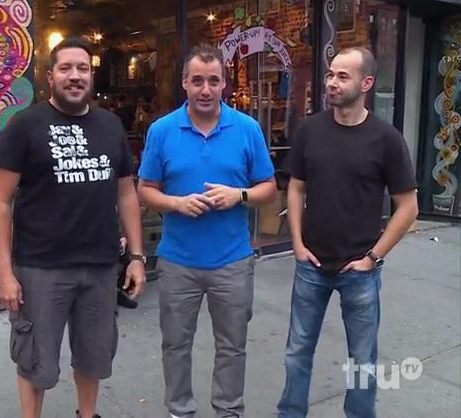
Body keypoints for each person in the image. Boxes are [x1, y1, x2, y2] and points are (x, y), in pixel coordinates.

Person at [0, 37, 146, 418]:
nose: (75, 76)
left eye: (83, 69)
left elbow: (126, 193)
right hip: (40, 268)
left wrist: (137, 257)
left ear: (91, 76)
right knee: (35, 361)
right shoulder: (24, 126)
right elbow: (0, 201)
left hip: (100, 266)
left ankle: (87, 414)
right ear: (50, 77)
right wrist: (5, 272)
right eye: (66, 68)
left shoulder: (110, 125)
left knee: (94, 356)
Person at [276, 47, 418, 418]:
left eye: (343, 76)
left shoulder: (386, 139)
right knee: (297, 352)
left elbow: (408, 207)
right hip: (311, 264)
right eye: (330, 74)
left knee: (362, 359)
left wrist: (373, 258)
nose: (332, 83)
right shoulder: (310, 130)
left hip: (360, 270)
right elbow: (296, 187)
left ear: (366, 83)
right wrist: (297, 243)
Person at [137, 44, 277, 418]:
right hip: (178, 262)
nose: (205, 89)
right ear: (184, 83)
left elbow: (268, 188)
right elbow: (145, 190)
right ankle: (179, 411)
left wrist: (239, 195)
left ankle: (228, 411)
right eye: (197, 80)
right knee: (175, 345)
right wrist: (176, 203)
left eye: (213, 81)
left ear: (224, 85)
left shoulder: (246, 129)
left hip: (232, 261)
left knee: (232, 346)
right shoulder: (162, 131)